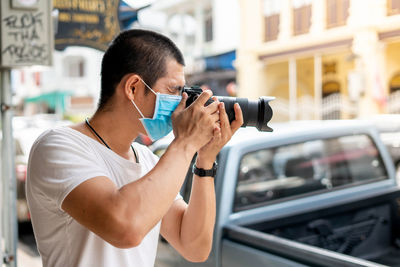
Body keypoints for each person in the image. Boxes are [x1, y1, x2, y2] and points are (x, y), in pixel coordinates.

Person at [26, 29, 243, 267]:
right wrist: (185, 143)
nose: (181, 102)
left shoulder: (147, 160)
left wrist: (205, 159)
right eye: (173, 90)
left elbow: (195, 247)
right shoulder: (58, 146)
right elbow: (124, 228)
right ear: (133, 88)